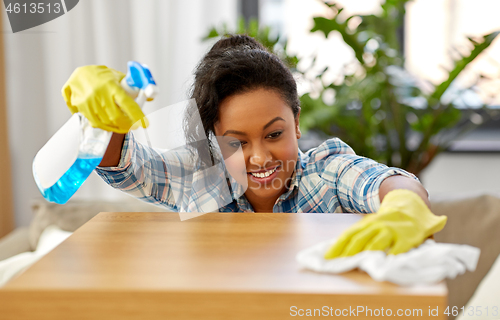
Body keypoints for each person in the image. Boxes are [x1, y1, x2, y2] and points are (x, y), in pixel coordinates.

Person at [62, 35, 446, 258]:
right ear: (214, 137)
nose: (259, 157)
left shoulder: (325, 171)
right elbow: (128, 168)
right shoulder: (202, 179)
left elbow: (382, 181)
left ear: (296, 122)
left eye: (274, 134)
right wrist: (102, 120)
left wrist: (404, 204)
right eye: (237, 142)